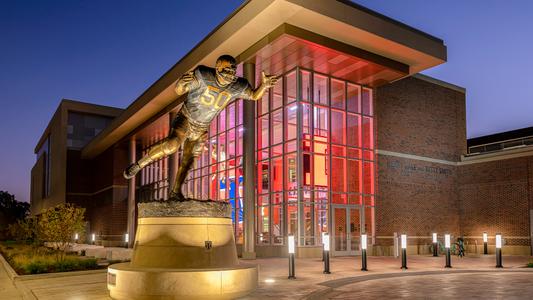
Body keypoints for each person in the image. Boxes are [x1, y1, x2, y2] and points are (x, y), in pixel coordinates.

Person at [123, 55, 279, 201]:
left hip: (202, 127)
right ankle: (139, 165)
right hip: (186, 118)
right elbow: (179, 90)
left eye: (233, 70)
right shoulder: (203, 74)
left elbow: (253, 95)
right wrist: (181, 83)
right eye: (227, 70)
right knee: (172, 145)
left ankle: (175, 192)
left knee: (188, 161)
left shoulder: (238, 85)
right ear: (217, 69)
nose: (230, 74)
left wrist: (264, 85)